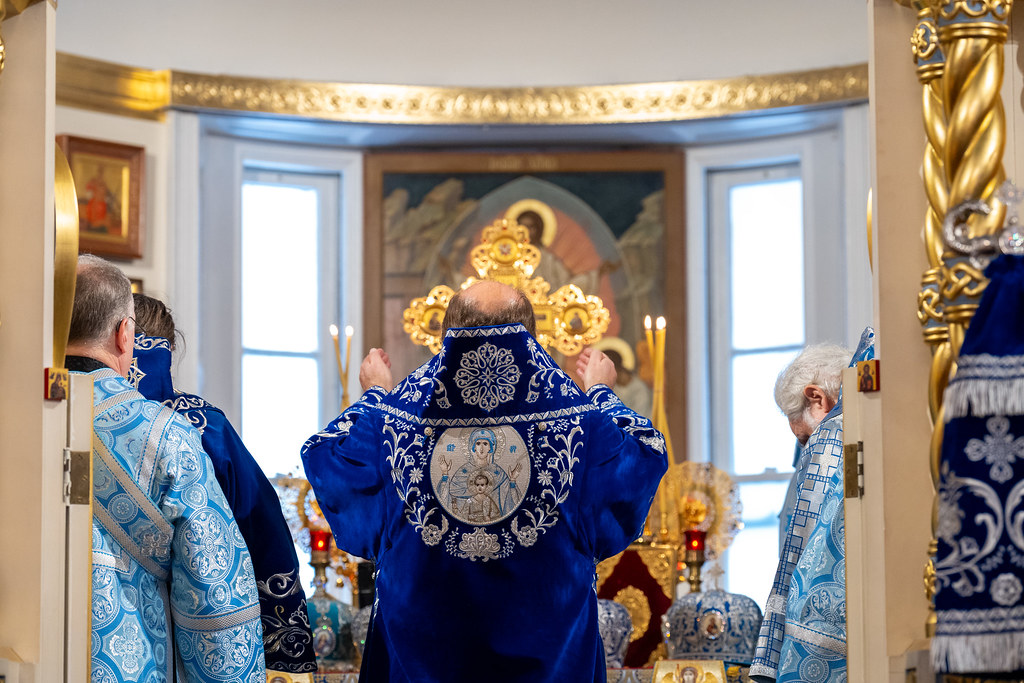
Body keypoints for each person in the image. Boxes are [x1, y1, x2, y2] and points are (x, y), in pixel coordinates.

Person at [301, 279, 668, 682]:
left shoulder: (392, 421)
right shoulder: (580, 422)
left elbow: (325, 456)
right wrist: (600, 392)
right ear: (532, 337)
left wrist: (375, 394)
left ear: (446, 336)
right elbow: (645, 454)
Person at [67, 255, 265, 682]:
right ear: (124, 334)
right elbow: (214, 599)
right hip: (129, 666)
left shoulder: (15, 417)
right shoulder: (166, 436)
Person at [130, 293, 318, 679]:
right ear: (169, 351)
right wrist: (285, 648)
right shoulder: (204, 427)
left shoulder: (71, 417)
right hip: (199, 637)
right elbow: (263, 530)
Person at [750, 334, 873, 683]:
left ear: (816, 396)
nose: (806, 448)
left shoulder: (832, 435)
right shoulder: (874, 422)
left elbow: (805, 546)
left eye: (804, 438)